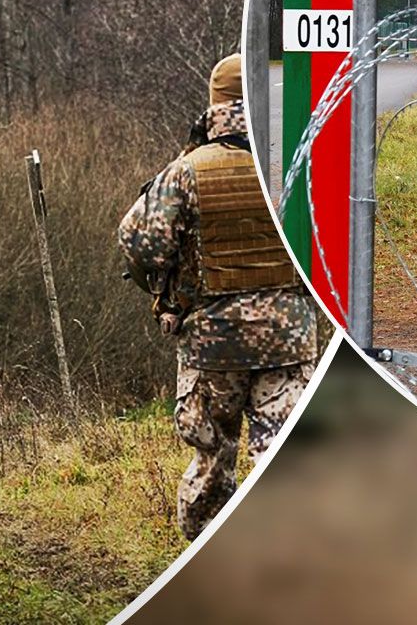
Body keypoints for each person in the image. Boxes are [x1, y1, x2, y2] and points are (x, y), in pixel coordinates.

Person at [118, 52, 318, 540]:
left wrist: (167, 297)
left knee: (213, 459)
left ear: (215, 104)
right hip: (288, 338)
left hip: (214, 344)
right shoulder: (294, 162)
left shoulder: (187, 172)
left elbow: (139, 244)